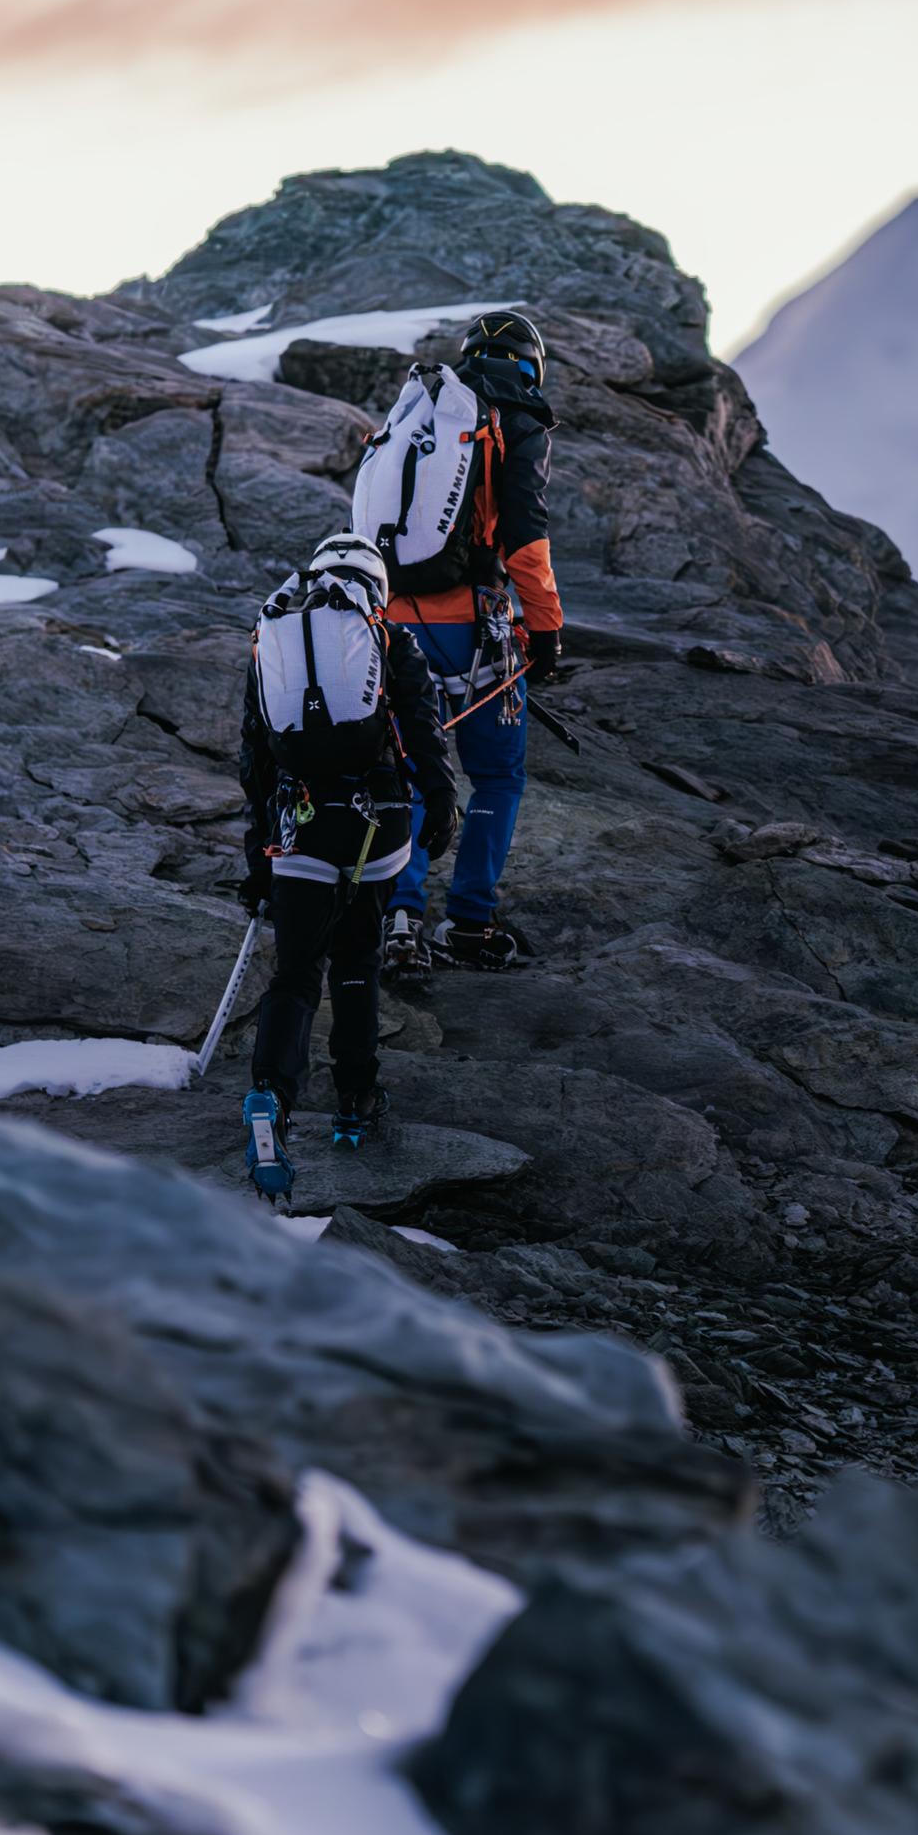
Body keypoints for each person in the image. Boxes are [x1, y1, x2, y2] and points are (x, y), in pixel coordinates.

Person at [235, 531, 460, 1202]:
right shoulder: (389, 640)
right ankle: (355, 1099)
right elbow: (423, 732)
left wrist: (258, 864)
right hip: (377, 821)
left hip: (297, 825)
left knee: (298, 974)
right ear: (376, 586)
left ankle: (271, 1098)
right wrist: (441, 809)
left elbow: (256, 764)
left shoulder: (272, 638)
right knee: (357, 961)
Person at [381, 306, 564, 974]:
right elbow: (526, 544)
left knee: (410, 766)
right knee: (492, 775)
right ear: (530, 366)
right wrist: (546, 629)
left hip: (392, 622)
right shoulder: (516, 420)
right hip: (473, 630)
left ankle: (400, 915)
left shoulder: (425, 410)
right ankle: (467, 923)